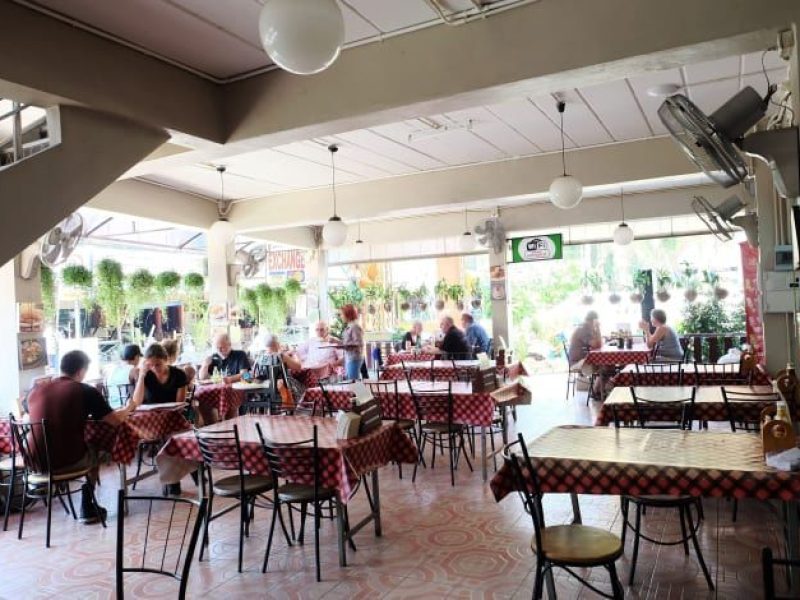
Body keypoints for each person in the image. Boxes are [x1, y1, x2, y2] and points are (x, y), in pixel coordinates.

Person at [27, 350, 138, 523]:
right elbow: (115, 421)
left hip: (34, 463)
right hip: (65, 461)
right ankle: (87, 506)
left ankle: (83, 502)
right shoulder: (84, 391)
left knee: (81, 443)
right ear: (81, 371)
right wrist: (129, 407)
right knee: (96, 447)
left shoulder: (36, 391)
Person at [256, 334, 306, 407]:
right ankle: (298, 408)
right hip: (283, 386)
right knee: (304, 386)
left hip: (264, 387)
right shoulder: (281, 356)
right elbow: (298, 367)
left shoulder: (260, 356)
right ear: (276, 343)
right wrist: (295, 354)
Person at [340, 304, 364, 380]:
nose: (341, 316)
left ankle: (361, 389)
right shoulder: (350, 326)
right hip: (350, 357)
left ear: (348, 314)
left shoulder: (354, 327)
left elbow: (359, 344)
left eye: (341, 314)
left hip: (354, 358)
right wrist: (336, 341)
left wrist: (345, 345)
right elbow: (348, 342)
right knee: (353, 381)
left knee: (353, 381)